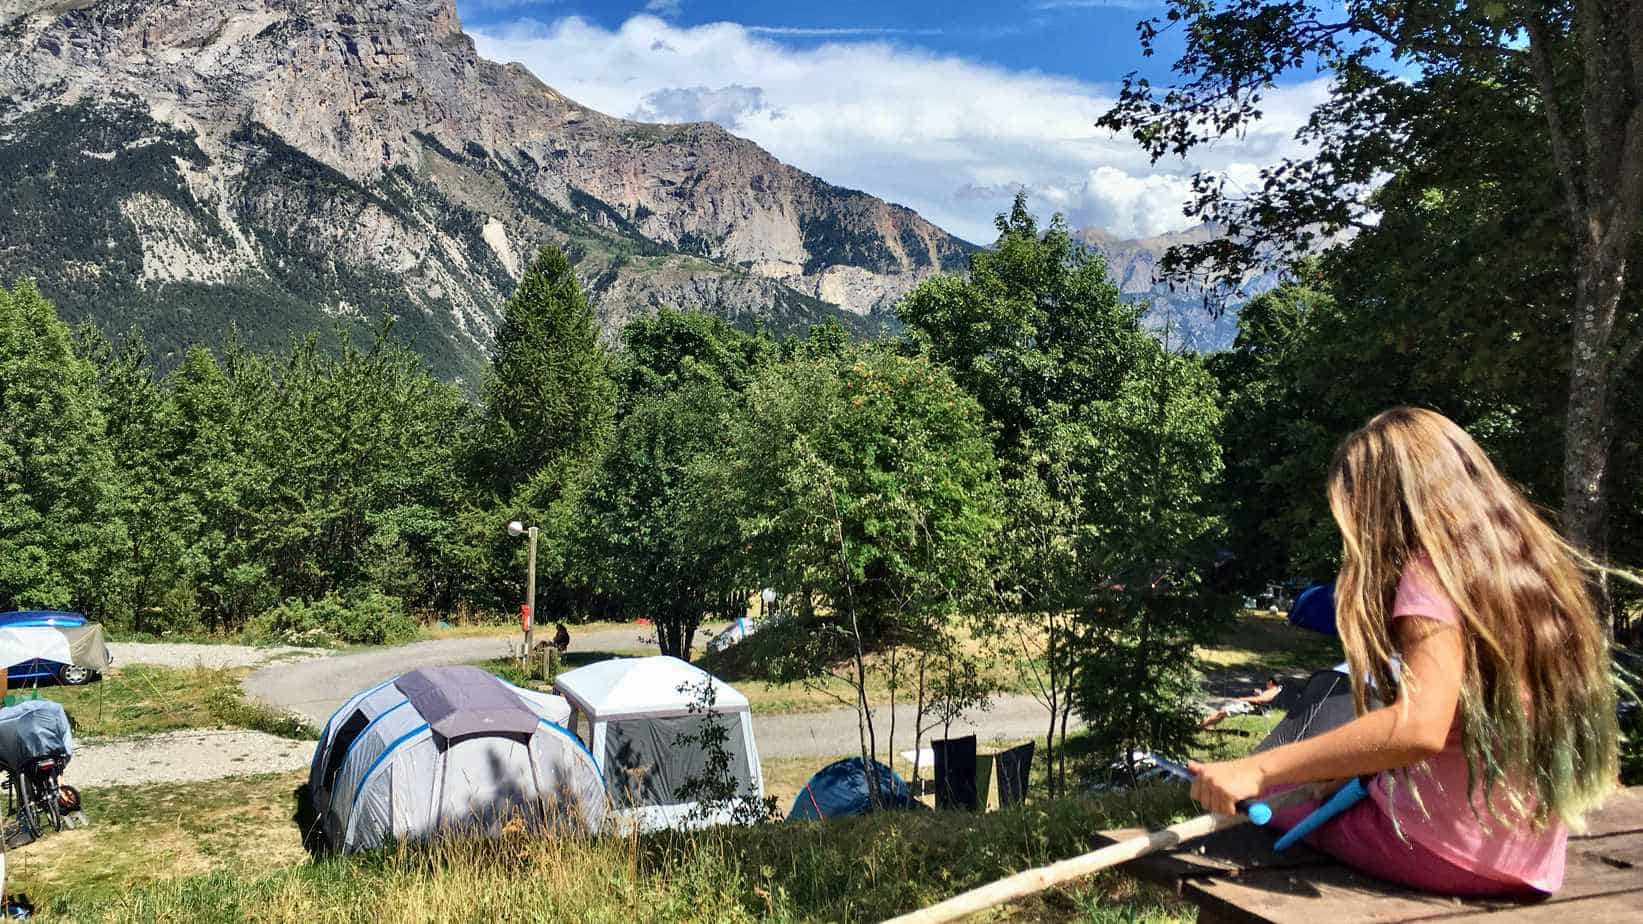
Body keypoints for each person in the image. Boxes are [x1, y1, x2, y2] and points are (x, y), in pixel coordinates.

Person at [1189, 407, 1620, 898]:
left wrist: (1256, 769)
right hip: (1526, 852)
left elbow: (1418, 727)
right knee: (1316, 785)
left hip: (1447, 849)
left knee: (1263, 795)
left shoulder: (1430, 575)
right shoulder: (1521, 565)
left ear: (1383, 505)